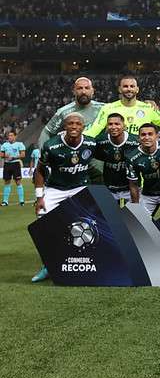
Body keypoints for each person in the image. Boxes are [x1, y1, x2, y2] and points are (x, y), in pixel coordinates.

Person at [32, 112, 97, 282]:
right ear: (64, 126)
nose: (74, 126)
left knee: (88, 225)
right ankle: (48, 265)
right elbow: (39, 170)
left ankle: (88, 262)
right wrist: (39, 197)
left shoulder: (91, 143)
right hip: (56, 188)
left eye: (77, 123)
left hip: (80, 188)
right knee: (43, 225)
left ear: (83, 127)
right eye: (70, 123)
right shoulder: (51, 146)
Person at [86, 75, 160, 137]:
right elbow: (95, 129)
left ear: (137, 89)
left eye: (132, 86)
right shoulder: (109, 108)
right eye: (125, 86)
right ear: (120, 89)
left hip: (139, 154)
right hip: (118, 154)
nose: (129, 89)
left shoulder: (148, 108)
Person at [125, 123, 160, 217]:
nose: (147, 137)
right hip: (148, 195)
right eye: (143, 135)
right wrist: (136, 207)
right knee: (138, 223)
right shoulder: (132, 158)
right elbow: (133, 185)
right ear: (139, 138)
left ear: (157, 136)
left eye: (150, 134)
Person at [38, 77, 105, 148]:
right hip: (71, 154)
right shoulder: (63, 112)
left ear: (92, 91)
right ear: (74, 91)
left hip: (98, 155)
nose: (83, 91)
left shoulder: (104, 108)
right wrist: (42, 155)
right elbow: (46, 132)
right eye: (80, 88)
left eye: (87, 88)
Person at [92, 113, 139, 204]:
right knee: (109, 217)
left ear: (124, 126)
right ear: (106, 126)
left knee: (136, 217)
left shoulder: (135, 141)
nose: (113, 127)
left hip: (131, 189)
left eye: (117, 124)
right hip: (109, 189)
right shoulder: (100, 141)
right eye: (110, 124)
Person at [1, 131, 26, 206]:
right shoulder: (4, 145)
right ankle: (5, 201)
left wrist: (13, 157)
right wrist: (5, 156)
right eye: (9, 136)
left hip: (15, 164)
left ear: (15, 136)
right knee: (7, 182)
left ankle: (21, 201)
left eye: (11, 135)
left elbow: (23, 155)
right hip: (7, 164)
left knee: (18, 182)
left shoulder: (20, 144)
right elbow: (1, 154)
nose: (10, 137)